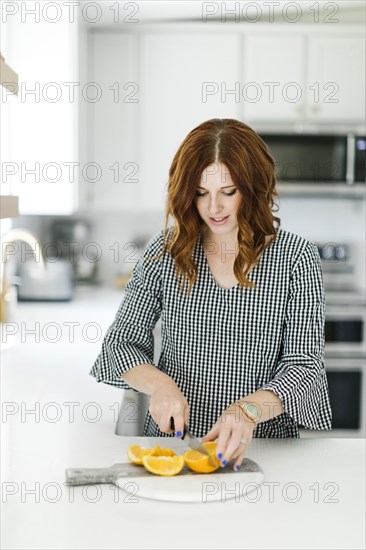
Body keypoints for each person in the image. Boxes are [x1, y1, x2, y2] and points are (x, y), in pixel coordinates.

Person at [90, 118, 332, 471]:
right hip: (173, 446)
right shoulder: (165, 252)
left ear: (254, 187)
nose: (213, 208)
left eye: (228, 192)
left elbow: (304, 366)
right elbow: (120, 344)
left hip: (264, 449)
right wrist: (159, 385)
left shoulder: (296, 258)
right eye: (201, 193)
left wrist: (247, 411)